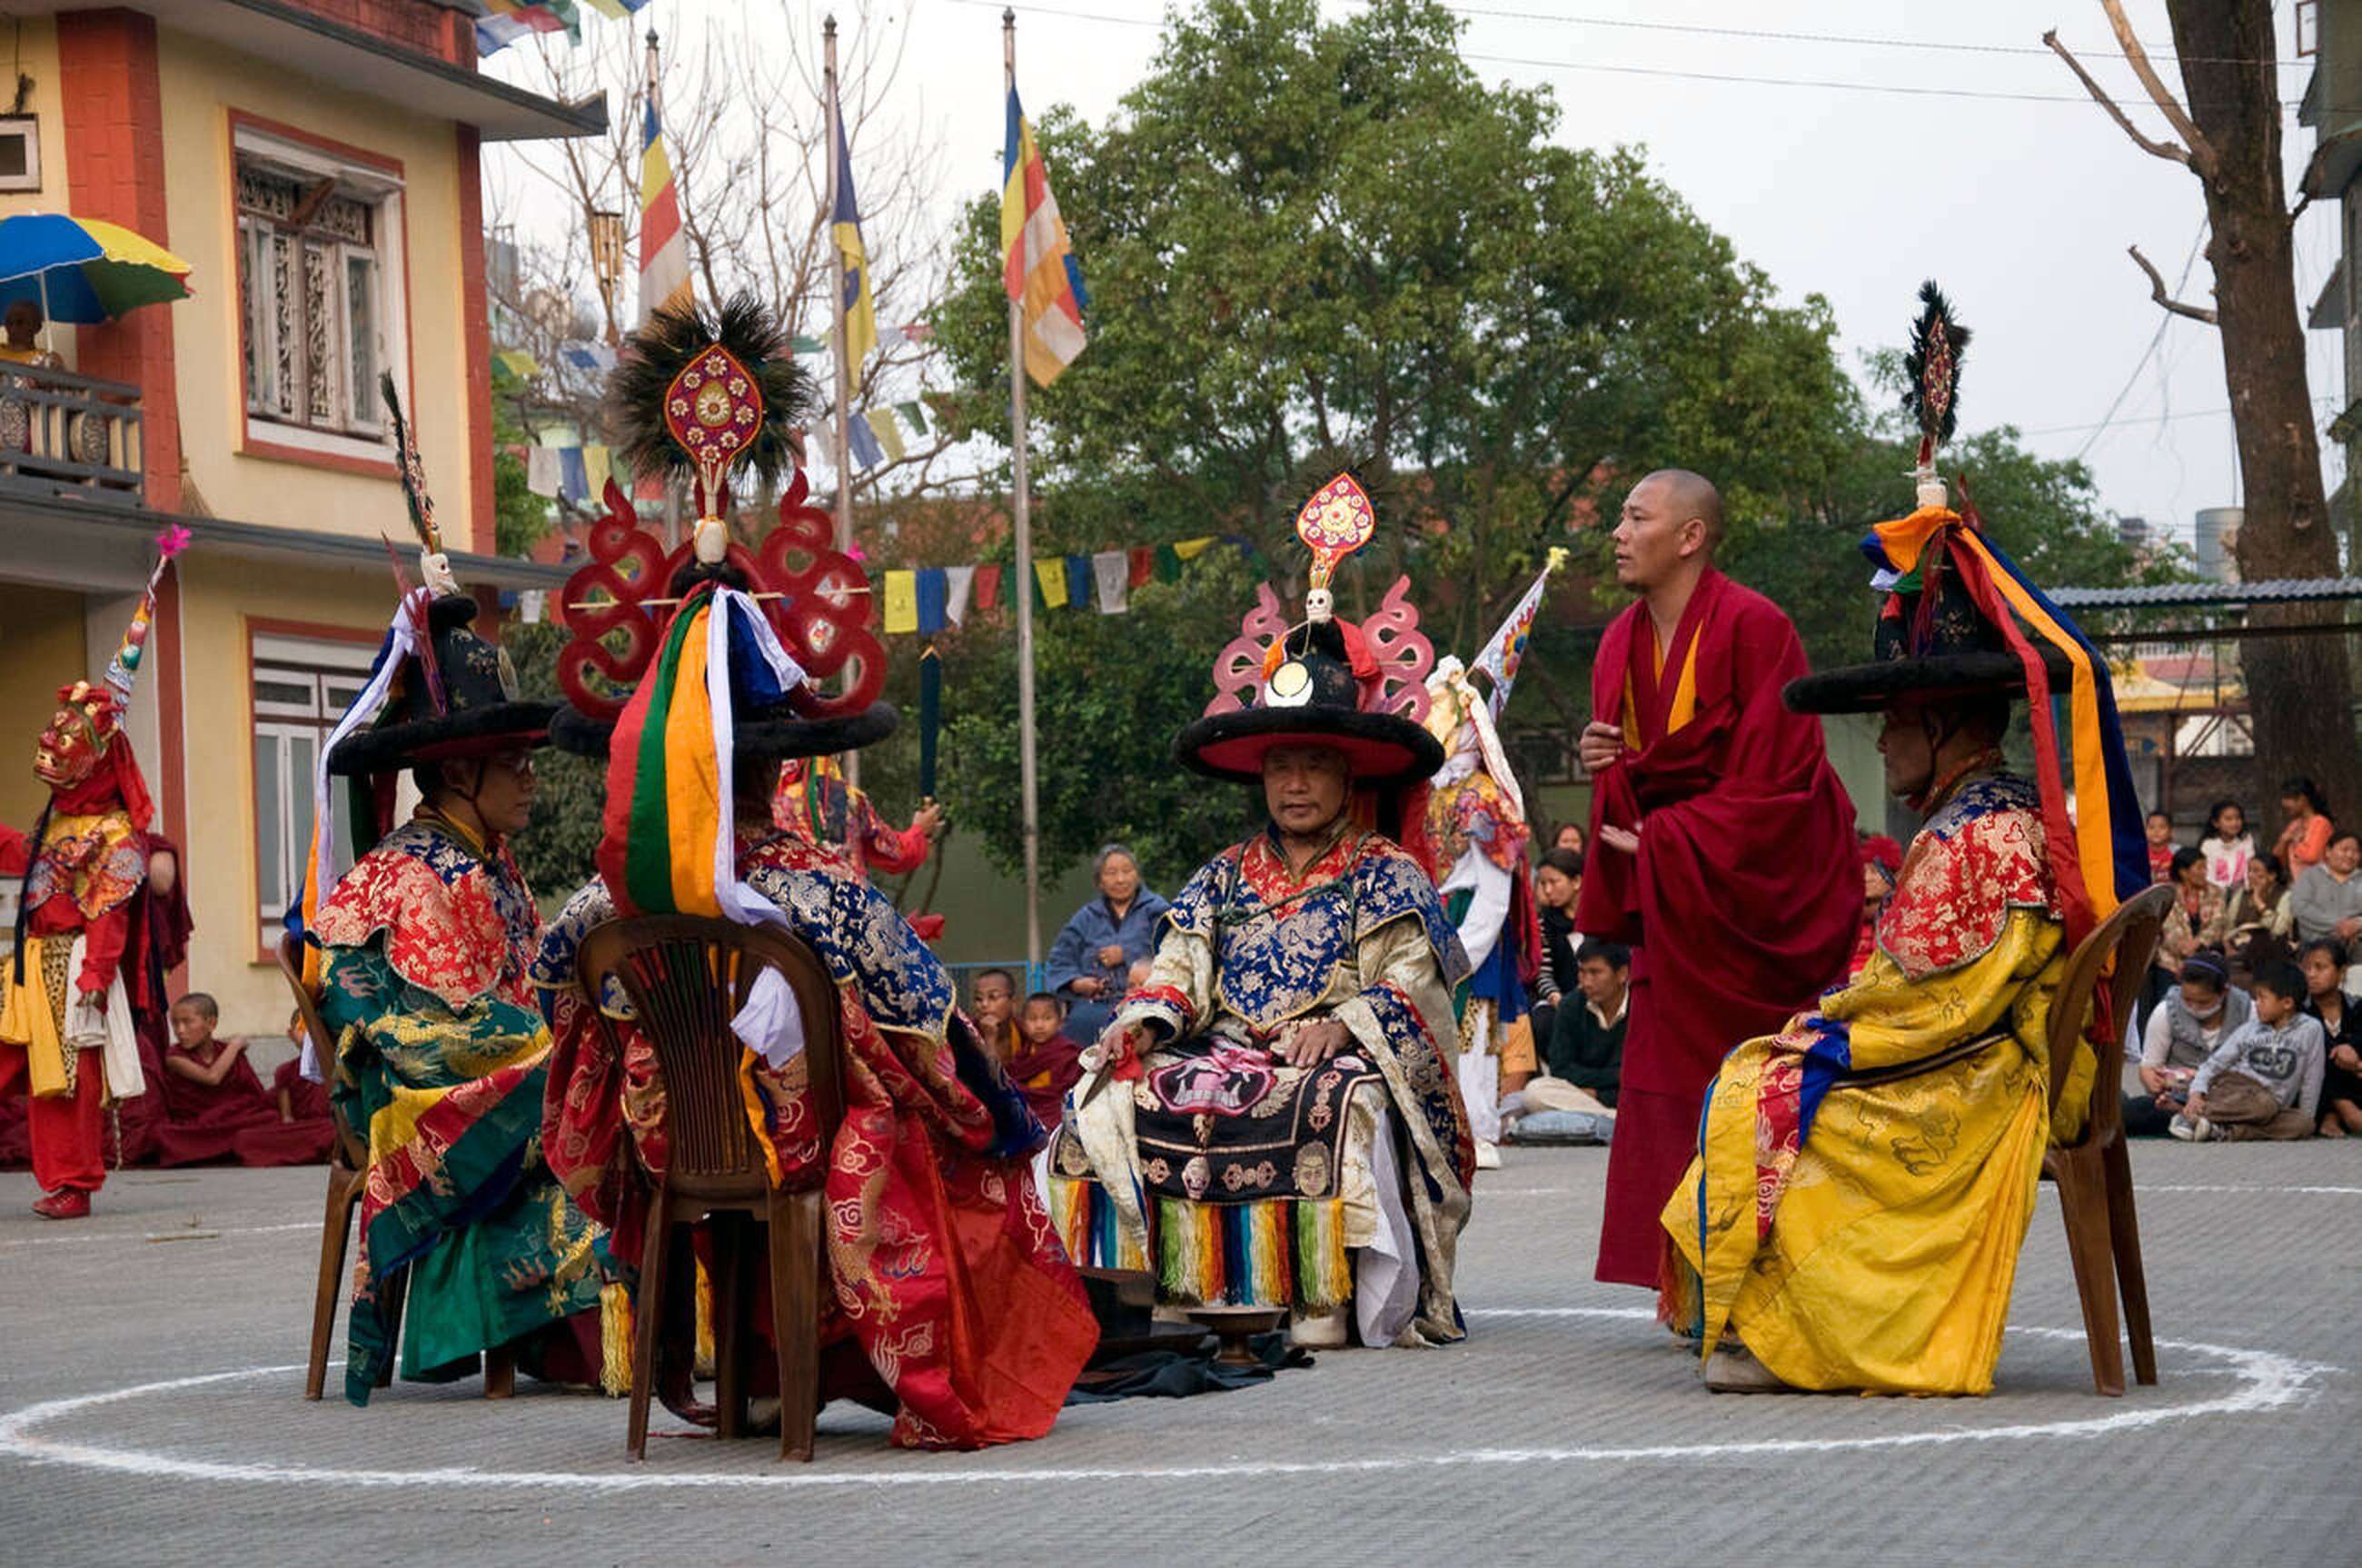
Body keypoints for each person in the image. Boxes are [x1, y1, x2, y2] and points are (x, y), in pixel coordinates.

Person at [535, 300, 1094, 1449]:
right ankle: (880, 1361)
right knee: (922, 1122)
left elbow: (560, 1009)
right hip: (796, 1156)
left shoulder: (598, 905)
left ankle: (740, 1367)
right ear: (766, 762)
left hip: (668, 1153)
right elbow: (936, 1035)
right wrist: (995, 1111)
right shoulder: (822, 895)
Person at [1668, 296, 2151, 1396]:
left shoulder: (1983, 835)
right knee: (1767, 1065)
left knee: (1764, 1082)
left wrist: (1829, 1025)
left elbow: (1939, 1001)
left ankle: (1800, 1331)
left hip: (1977, 1069)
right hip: (1981, 1045)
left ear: (1945, 726)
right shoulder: (1979, 816)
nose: (1880, 736)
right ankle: (1762, 1315)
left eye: (1894, 718)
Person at [1054, 475, 1472, 1348]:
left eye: (1312, 765)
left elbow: (1417, 987)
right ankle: (1156, 1287)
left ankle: (1322, 1292)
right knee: (1103, 1091)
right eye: (1279, 765)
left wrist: (1348, 1026)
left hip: (1330, 1051)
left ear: (1347, 774)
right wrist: (1144, 1024)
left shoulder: (1386, 872)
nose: (1292, 783)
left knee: (1337, 1097)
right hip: (1223, 1046)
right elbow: (1178, 971)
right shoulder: (1219, 876)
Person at [304, 575, 615, 1405]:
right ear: (463, 771)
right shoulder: (409, 873)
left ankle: (575, 1335)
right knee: (578, 1077)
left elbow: (527, 981)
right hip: (416, 1088)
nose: (531, 779)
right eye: (515, 764)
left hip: (490, 1060)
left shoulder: (487, 859)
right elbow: (427, 1019)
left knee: (597, 1061)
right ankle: (570, 1334)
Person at [1573, 466, 1859, 1299]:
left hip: (1750, 905)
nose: (1619, 534)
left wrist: (1663, 837)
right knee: (1669, 1100)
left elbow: (1781, 784)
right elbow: (1630, 779)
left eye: (1636, 518)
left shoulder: (1756, 626)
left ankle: (1774, 1282)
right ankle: (1691, 1283)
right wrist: (1607, 767)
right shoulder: (1618, 641)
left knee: (1757, 1099)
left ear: (1689, 536)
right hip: (1675, 906)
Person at [0, 537, 185, 1218]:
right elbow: (26, 855)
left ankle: (72, 1186)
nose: (49, 748)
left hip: (71, 973)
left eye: (63, 742)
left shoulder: (117, 841)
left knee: (63, 1085)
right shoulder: (58, 821)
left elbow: (107, 923)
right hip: (25, 964)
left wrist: (90, 987)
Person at [1418, 654, 1543, 1156]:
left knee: (1474, 1034)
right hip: (1437, 919)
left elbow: (1495, 892)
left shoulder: (1482, 799)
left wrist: (1460, 951)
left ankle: (1477, 1127)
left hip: (1471, 928)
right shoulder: (1432, 794)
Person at [152, 992, 329, 1167]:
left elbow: (255, 1097)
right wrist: (235, 1046)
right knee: (164, 1134)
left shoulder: (227, 1052)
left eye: (188, 1022)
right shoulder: (174, 1057)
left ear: (211, 1023)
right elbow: (212, 1077)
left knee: (268, 1118)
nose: (180, 1031)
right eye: (175, 1023)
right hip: (198, 1124)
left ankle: (231, 1148)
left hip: (235, 1120)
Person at [2175, 960, 2325, 1142]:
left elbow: (2313, 1076)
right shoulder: (2250, 1028)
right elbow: (2214, 1063)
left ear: (2286, 1003)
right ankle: (2190, 1115)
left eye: (2262, 998)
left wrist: (2308, 1113)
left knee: (2303, 1124)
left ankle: (2221, 1131)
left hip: (2272, 1106)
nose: (2257, 1004)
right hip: (2236, 1089)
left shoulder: (2311, 1029)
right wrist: (2196, 1093)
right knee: (2264, 1105)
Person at [1046, 844, 1170, 1046]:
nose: (1120, 879)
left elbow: (1174, 950)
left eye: (1127, 871)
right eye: (1111, 873)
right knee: (1076, 1031)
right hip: (1095, 1005)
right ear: (1099, 882)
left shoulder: (1157, 910)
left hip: (1146, 1000)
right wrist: (1076, 983)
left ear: (1137, 875)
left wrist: (1128, 954)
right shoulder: (1085, 917)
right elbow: (1060, 959)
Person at [2125, 952, 2250, 1137]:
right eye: (2187, 1000)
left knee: (2263, 1107)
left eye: (2203, 1002)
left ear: (2224, 992)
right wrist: (2154, 1081)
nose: (2194, 1008)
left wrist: (2202, 1079)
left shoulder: (2248, 1012)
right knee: (2129, 1114)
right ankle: (2201, 1123)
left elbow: (2257, 1073)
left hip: (2230, 1097)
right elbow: (2149, 1067)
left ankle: (2199, 1123)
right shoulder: (2166, 1011)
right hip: (2178, 1096)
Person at [772, 753, 942, 880]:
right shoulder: (844, 799)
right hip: (840, 915)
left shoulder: (764, 801)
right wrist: (919, 830)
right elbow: (895, 853)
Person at [1543, 938, 1629, 1104]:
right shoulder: (1571, 1005)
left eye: (1595, 972)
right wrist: (1617, 1075)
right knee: (1536, 1092)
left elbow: (1642, 1074)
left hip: (1620, 1098)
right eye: (1582, 972)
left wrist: (1598, 1095)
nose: (1587, 982)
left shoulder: (1642, 1009)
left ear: (1622, 974)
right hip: (1582, 1094)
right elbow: (1560, 1069)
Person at [2297, 939, 2362, 1137]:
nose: (2311, 975)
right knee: (2321, 1056)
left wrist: (2354, 1052)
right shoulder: (2299, 1011)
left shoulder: (2356, 1007)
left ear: (2342, 972)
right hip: (2317, 1090)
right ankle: (2342, 1112)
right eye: (2306, 968)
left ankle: (2335, 1116)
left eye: (2320, 967)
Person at [1527, 848, 1583, 1057]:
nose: (1548, 890)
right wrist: (1558, 999)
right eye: (1543, 884)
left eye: (1554, 882)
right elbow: (1544, 972)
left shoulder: (1598, 921)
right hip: (1561, 1001)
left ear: (1576, 882)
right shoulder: (1543, 925)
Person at [1008, 991, 1086, 1132]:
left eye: (1047, 1018)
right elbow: (1013, 1082)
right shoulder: (1023, 1053)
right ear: (1023, 1024)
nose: (1039, 1025)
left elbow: (1068, 1092)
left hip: (1054, 1113)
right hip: (1025, 1111)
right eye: (1032, 1019)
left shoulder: (1067, 1053)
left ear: (1060, 1023)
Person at [2288, 830, 2362, 946]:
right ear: (2328, 851)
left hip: (2356, 942)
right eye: (2345, 850)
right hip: (2316, 943)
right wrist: (2338, 925)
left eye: (2356, 851)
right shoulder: (2310, 876)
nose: (2350, 855)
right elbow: (2299, 907)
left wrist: (2358, 924)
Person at [2222, 850, 2295, 965]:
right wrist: (2227, 947)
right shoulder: (2241, 894)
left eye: (2256, 871)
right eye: (2249, 871)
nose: (2251, 875)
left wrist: (2259, 901)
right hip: (2241, 946)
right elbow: (2229, 926)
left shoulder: (2286, 896)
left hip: (2273, 948)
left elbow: (2279, 929)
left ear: (2272, 876)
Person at [1851, 834, 1903, 978]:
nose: (1867, 879)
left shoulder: (1902, 919)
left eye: (1874, 871)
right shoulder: (1843, 919)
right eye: (1862, 871)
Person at [2274, 777, 2334, 878]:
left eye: (2287, 798)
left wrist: (2295, 841)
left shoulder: (2320, 823)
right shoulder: (2295, 824)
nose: (2283, 802)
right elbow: (2277, 860)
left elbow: (2312, 856)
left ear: (2302, 799)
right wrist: (2283, 841)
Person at [2199, 799, 2255, 893]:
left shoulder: (2246, 841)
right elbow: (2209, 874)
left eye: (2238, 818)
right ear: (2216, 823)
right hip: (2216, 892)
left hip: (2243, 892)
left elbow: (2249, 869)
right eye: (2228, 819)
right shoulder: (2208, 845)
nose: (2234, 823)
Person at [968, 967, 1018, 1063]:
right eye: (978, 998)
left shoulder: (1027, 1035)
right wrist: (990, 1040)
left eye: (993, 997)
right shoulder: (967, 1035)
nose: (984, 1004)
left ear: (1013, 1002)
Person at [0, 297, 62, 369]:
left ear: (37, 327)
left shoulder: (47, 359)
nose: (13, 328)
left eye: (20, 323)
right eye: (9, 322)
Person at [2144, 811, 2178, 884]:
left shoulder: (2177, 852)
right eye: (2151, 827)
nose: (2156, 831)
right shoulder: (2139, 852)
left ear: (2170, 831)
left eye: (2162, 827)